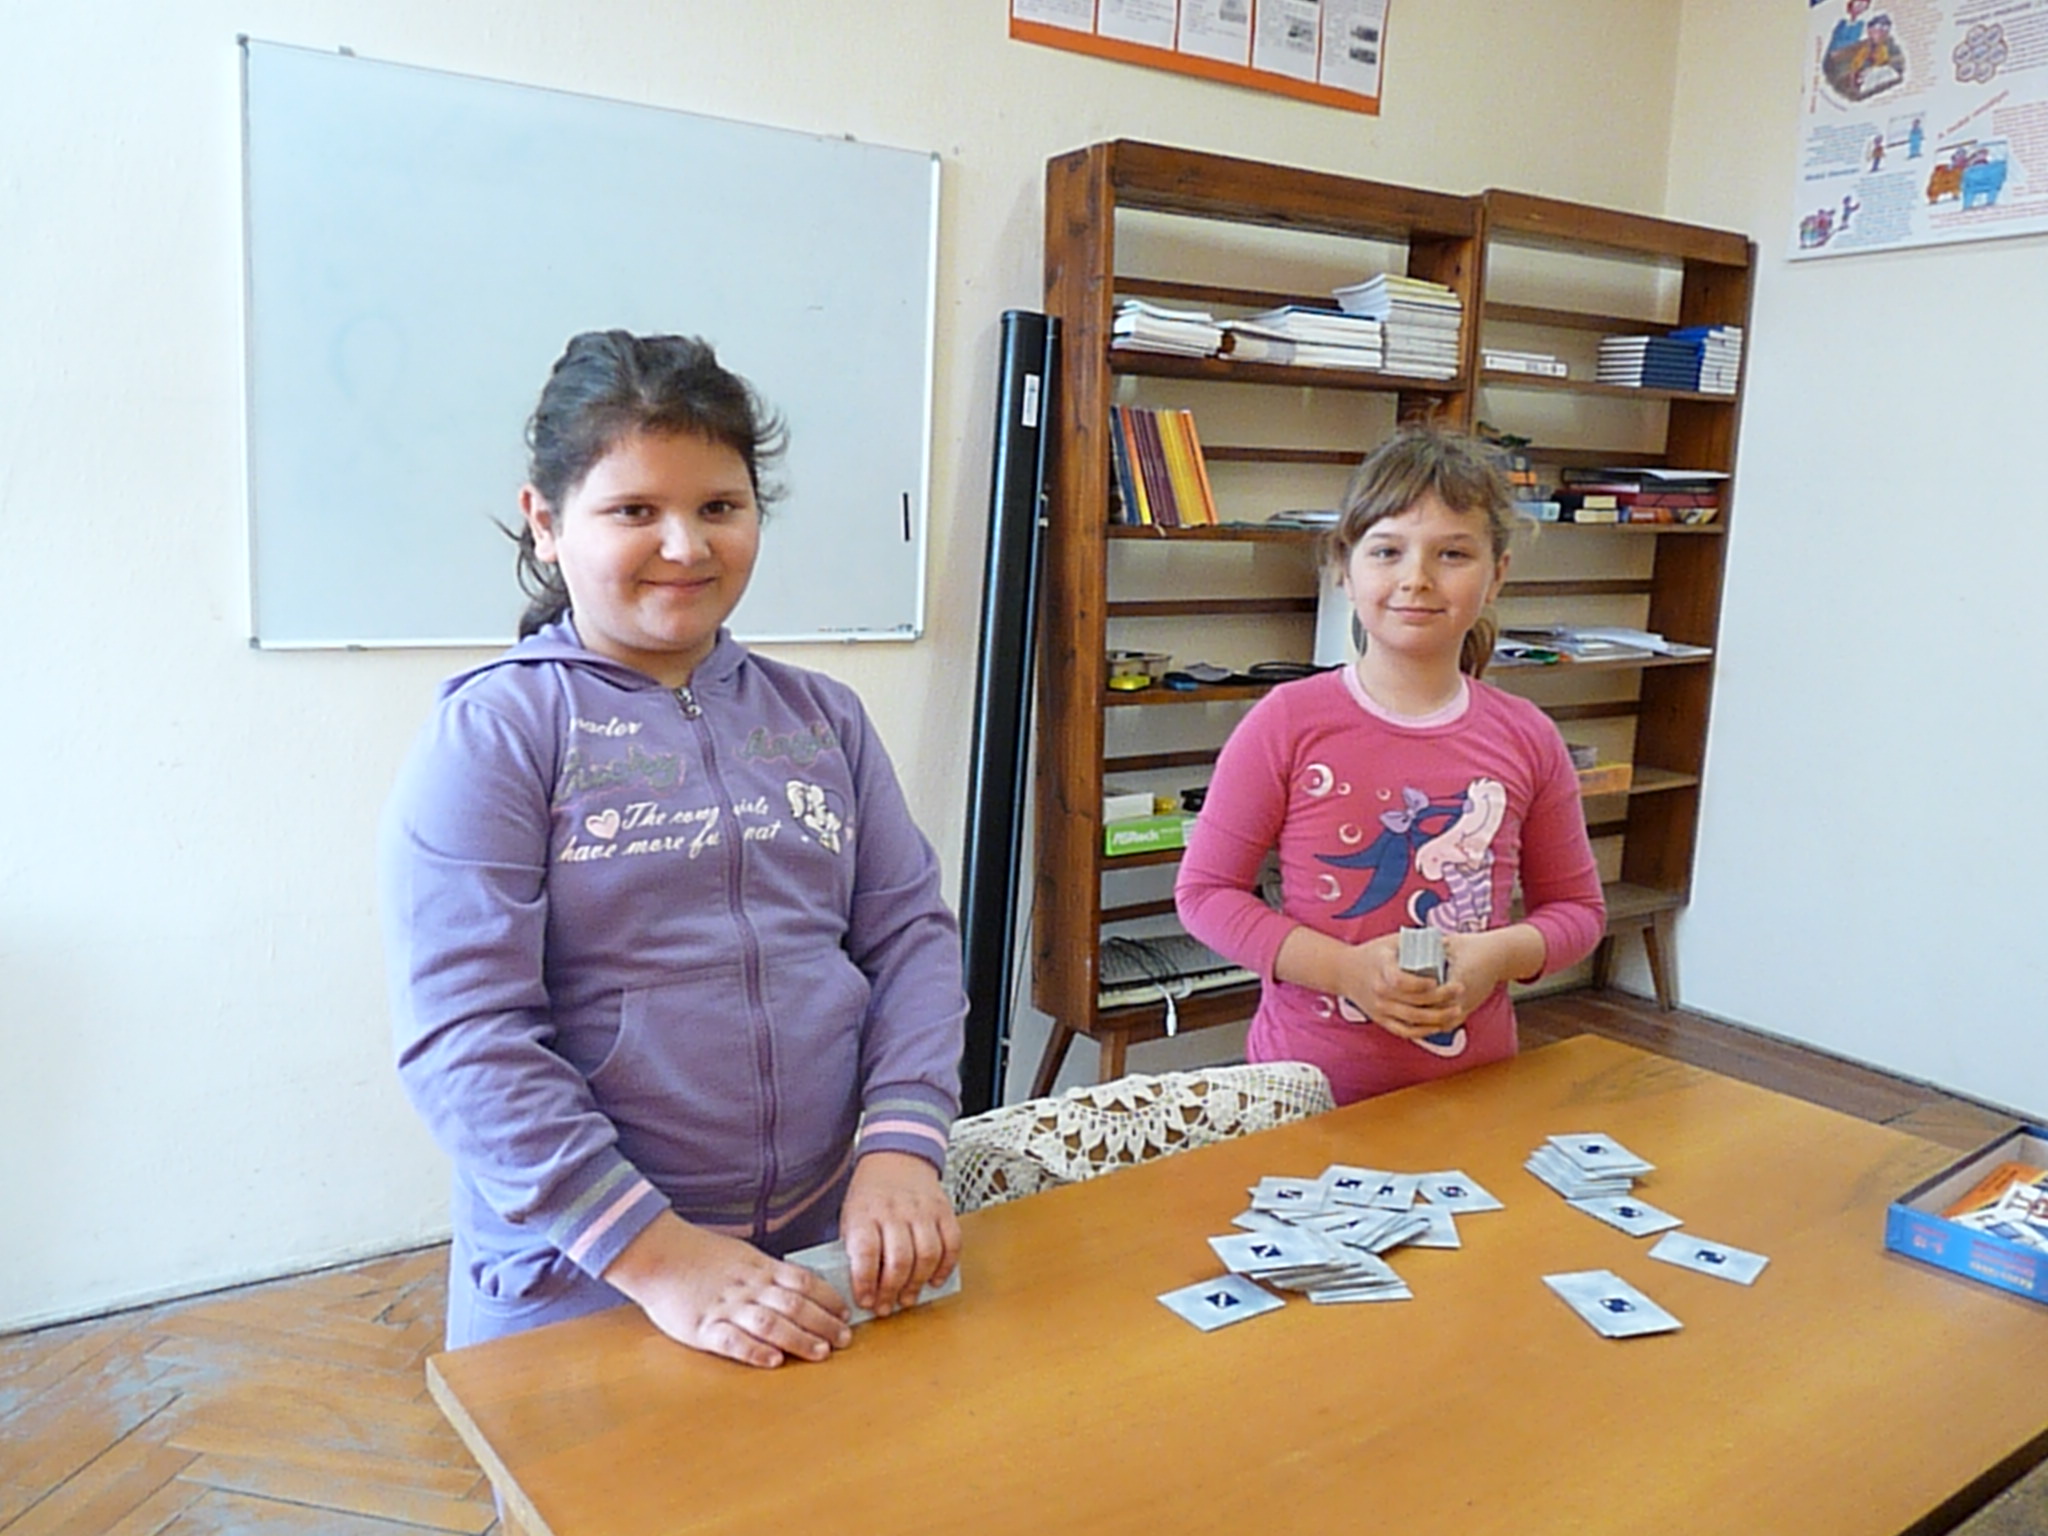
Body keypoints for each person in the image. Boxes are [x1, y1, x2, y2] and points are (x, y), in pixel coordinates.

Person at [380, 331, 966, 1368]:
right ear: (546, 522)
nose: (686, 547)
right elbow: (467, 1036)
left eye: (719, 507)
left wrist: (899, 1148)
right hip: (587, 1275)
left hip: (827, 1248)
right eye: (634, 511)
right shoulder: (497, 732)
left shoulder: (822, 717)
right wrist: (659, 1259)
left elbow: (910, 939)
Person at [1175, 428, 1604, 1106]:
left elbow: (1578, 911)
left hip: (1474, 1091)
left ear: (1497, 574)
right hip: (1303, 1095)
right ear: (1345, 568)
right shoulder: (1286, 721)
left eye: (1453, 553)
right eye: (1387, 551)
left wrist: (1498, 955)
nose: (1417, 579)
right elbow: (1205, 894)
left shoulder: (1529, 737)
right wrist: (1343, 970)